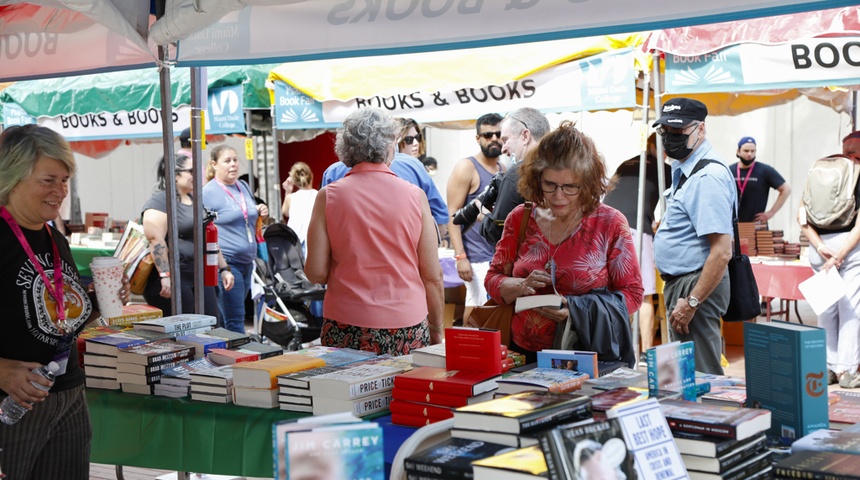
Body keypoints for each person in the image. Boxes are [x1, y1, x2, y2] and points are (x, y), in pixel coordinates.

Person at [0, 124, 130, 479]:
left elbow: (59, 316)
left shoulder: (54, 238)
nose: (60, 191)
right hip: (12, 404)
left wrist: (102, 303)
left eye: (65, 180)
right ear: (12, 176)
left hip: (67, 394)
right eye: (48, 180)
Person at [484, 121, 643, 364]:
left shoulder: (609, 223)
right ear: (537, 179)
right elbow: (493, 278)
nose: (558, 197)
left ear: (588, 182)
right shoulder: (520, 218)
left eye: (570, 187)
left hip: (585, 354)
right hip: (522, 353)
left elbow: (632, 295)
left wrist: (576, 310)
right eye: (550, 185)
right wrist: (520, 285)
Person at [304, 108, 444, 355]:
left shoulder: (329, 196)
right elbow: (432, 276)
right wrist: (436, 330)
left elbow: (315, 273)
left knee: (346, 392)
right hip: (407, 324)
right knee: (404, 392)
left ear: (345, 149)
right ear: (390, 147)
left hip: (346, 323)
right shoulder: (415, 196)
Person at [653, 98, 735, 375]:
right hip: (686, 282)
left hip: (695, 284)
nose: (670, 138)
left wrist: (692, 302)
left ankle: (712, 418)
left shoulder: (706, 177)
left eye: (678, 132)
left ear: (700, 130)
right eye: (665, 132)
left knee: (702, 376)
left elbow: (722, 251)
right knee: (687, 375)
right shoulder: (685, 168)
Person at [798, 131, 860, 387]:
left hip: (818, 249)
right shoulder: (857, 174)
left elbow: (801, 218)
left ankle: (827, 367)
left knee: (826, 308)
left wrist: (822, 248)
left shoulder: (821, 171)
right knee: (851, 308)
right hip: (849, 248)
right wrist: (840, 255)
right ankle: (846, 370)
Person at [602, 133, 672, 357]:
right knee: (643, 294)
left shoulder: (627, 163)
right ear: (658, 147)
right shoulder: (664, 170)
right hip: (634, 231)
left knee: (613, 291)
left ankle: (615, 348)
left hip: (605, 228)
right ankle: (648, 352)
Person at [141, 154, 234, 320]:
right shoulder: (161, 200)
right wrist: (165, 276)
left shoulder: (194, 199)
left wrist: (224, 269)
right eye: (190, 171)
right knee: (185, 329)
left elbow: (209, 238)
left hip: (200, 274)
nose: (195, 175)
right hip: (176, 275)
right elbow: (155, 240)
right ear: (175, 175)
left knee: (211, 323)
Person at [202, 145, 269, 333]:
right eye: (227, 161)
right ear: (214, 165)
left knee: (226, 317)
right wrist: (222, 267)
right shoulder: (208, 192)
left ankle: (221, 353)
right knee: (236, 318)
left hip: (247, 262)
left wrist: (261, 210)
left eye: (235, 160)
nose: (233, 165)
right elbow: (204, 229)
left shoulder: (243, 186)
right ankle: (240, 358)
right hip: (228, 263)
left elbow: (247, 213)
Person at [448, 113, 506, 317]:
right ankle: (468, 348)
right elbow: (452, 214)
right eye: (488, 135)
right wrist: (461, 257)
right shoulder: (467, 167)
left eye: (498, 134)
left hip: (496, 257)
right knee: (477, 311)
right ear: (478, 138)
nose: (494, 139)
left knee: (492, 313)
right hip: (476, 258)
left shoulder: (503, 169)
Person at [320, 147, 448, 227]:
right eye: (409, 139)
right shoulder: (414, 171)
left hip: (346, 267)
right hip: (406, 267)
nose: (415, 143)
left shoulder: (333, 174)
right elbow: (440, 219)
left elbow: (317, 266)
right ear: (391, 142)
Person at [480, 107, 551, 245]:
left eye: (505, 140)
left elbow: (499, 233)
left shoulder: (518, 173)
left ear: (525, 136)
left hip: (529, 261)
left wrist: (484, 217)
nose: (503, 149)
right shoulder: (565, 167)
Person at [729, 136, 791, 224]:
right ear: (738, 151)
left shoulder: (765, 170)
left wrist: (771, 212)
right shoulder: (729, 171)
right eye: (746, 151)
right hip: (733, 224)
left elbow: (786, 189)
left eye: (752, 151)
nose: (749, 154)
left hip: (757, 225)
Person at [281, 161, 318, 254]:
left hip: (294, 242)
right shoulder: (318, 195)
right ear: (311, 176)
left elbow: (285, 212)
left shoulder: (290, 198)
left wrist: (288, 191)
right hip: (313, 242)